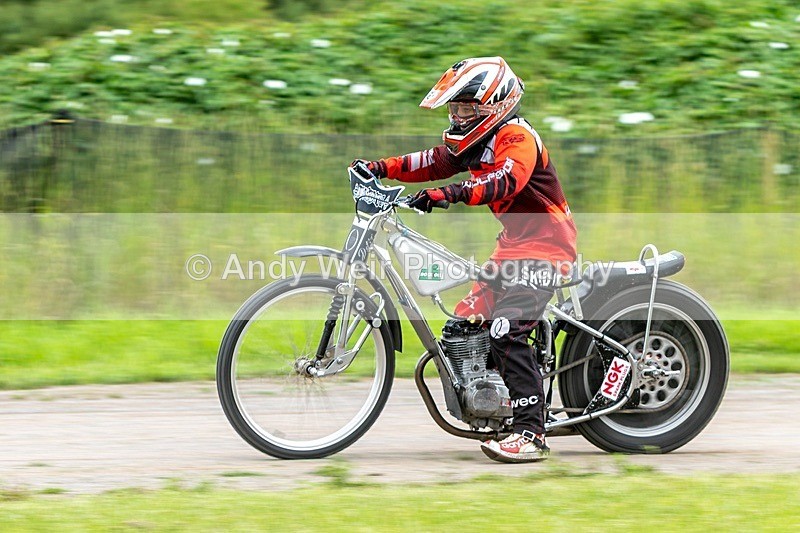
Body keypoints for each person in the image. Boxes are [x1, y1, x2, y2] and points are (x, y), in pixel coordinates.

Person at [353, 57, 577, 463]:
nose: (456, 117)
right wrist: (377, 169)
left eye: (465, 108)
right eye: (453, 108)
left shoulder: (516, 137)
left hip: (546, 249)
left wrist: (446, 195)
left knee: (506, 330)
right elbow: (433, 161)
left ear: (495, 104)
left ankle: (531, 432)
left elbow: (503, 180)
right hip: (512, 248)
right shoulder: (475, 141)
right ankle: (498, 405)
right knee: (465, 327)